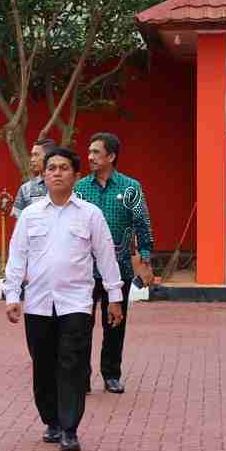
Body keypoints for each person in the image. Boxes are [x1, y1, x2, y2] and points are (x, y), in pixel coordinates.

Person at [4, 147, 124, 451]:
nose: (57, 173)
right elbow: (17, 257)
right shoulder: (30, 215)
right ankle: (52, 421)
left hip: (76, 303)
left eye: (63, 168)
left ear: (76, 176)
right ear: (43, 175)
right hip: (38, 304)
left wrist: (114, 297)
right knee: (43, 363)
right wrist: (12, 295)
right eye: (51, 168)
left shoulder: (90, 214)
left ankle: (70, 429)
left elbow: (106, 257)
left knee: (72, 363)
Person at [73, 132, 153, 394]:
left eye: (96, 152)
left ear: (111, 156)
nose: (90, 157)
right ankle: (81, 376)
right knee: (81, 325)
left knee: (115, 323)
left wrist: (145, 255)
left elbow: (142, 223)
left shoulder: (130, 188)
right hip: (84, 270)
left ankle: (111, 374)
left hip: (119, 268)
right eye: (89, 152)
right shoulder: (80, 189)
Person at [11, 138, 57, 218]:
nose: (32, 160)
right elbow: (20, 222)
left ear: (49, 156)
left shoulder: (67, 187)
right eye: (32, 155)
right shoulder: (26, 189)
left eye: (36, 155)